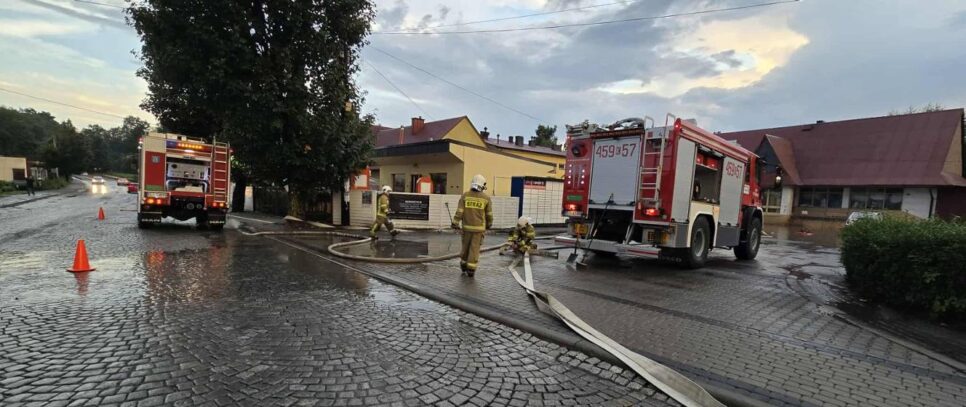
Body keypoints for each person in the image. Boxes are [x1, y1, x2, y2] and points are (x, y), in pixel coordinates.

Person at [452, 174, 492, 277]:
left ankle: (463, 265)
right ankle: (471, 269)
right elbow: (489, 215)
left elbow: (459, 211)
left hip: (466, 228)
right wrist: (489, 225)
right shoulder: (486, 198)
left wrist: (455, 222)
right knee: (474, 249)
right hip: (479, 230)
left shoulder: (465, 195)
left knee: (465, 247)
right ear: (482, 185)